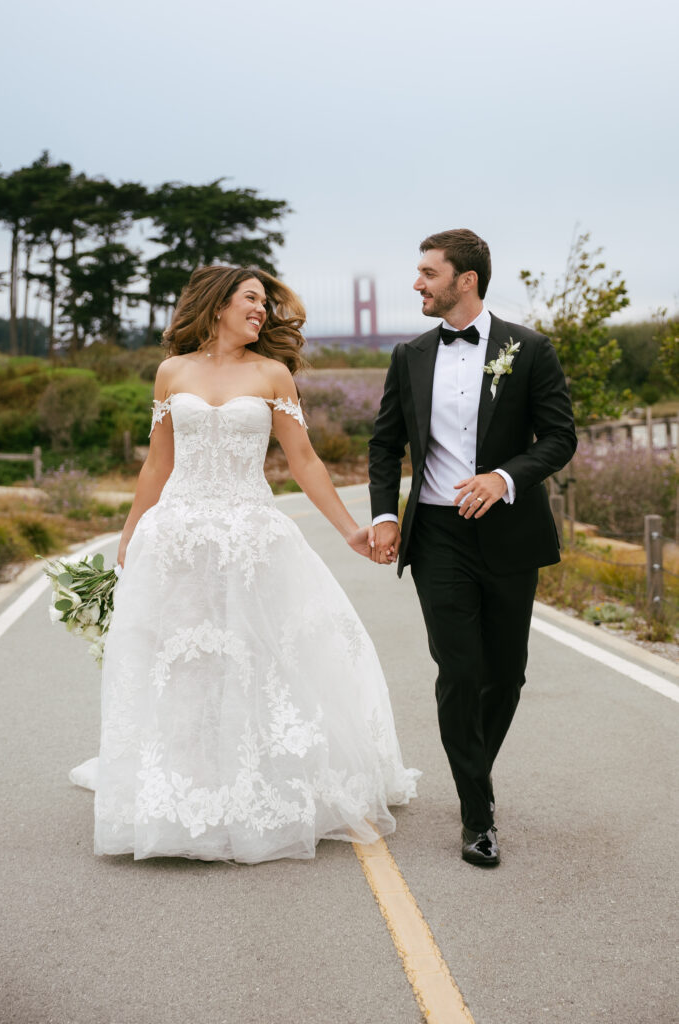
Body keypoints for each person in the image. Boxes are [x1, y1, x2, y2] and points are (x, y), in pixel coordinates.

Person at [71, 265, 419, 863]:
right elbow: (157, 464)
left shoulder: (272, 373)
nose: (262, 311)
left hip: (252, 538)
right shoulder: (171, 372)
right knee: (183, 660)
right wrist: (131, 534)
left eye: (264, 303)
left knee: (258, 657)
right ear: (217, 305)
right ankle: (186, 786)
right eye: (251, 300)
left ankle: (256, 781)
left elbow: (305, 460)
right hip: (177, 538)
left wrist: (349, 531)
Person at [368, 229, 577, 866]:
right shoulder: (408, 356)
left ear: (467, 281)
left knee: (505, 675)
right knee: (459, 670)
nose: (417, 284)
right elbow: (385, 444)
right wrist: (383, 513)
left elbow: (560, 437)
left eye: (428, 273)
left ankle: (472, 775)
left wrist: (504, 478)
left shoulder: (530, 348)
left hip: (509, 532)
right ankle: (477, 815)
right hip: (438, 536)